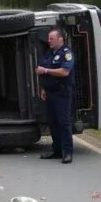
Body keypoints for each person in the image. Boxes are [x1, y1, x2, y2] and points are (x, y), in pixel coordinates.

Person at [35, 29, 75, 164]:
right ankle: (57, 151)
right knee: (52, 123)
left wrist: (45, 70)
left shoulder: (66, 53)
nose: (49, 41)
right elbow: (45, 74)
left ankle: (67, 153)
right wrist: (43, 88)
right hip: (50, 93)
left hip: (62, 93)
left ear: (60, 39)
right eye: (48, 38)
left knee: (64, 123)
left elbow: (64, 72)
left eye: (51, 38)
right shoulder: (50, 54)